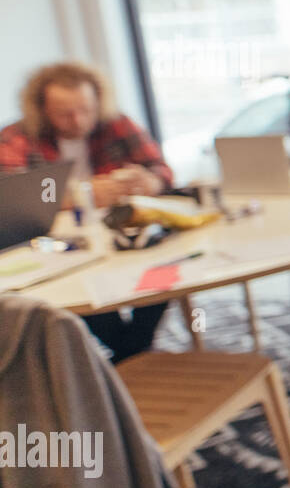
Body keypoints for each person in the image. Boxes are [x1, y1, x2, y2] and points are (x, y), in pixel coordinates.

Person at [0, 61, 176, 363]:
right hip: (59, 246)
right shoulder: (17, 138)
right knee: (82, 289)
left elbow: (161, 170)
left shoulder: (116, 124)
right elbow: (12, 198)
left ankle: (128, 359)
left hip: (123, 233)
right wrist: (83, 194)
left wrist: (150, 180)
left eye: (86, 109)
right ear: (42, 110)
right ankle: (134, 356)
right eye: (65, 113)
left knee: (167, 269)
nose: (78, 120)